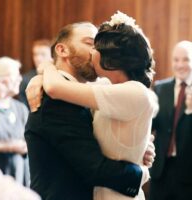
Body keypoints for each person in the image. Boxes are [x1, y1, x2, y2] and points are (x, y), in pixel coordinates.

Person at [27, 11, 157, 200]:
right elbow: (95, 168)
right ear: (62, 50)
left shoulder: (95, 92)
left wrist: (138, 147)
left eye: (99, 46)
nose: (97, 52)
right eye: (90, 43)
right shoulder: (54, 102)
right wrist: (140, 173)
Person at [149, 41, 192, 200]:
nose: (180, 65)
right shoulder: (160, 88)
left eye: (186, 59)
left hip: (188, 175)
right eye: (176, 60)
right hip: (161, 171)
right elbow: (150, 125)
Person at [0, 57, 29, 186]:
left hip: (19, 179)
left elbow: (29, 143)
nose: (20, 79)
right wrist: (8, 146)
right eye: (16, 75)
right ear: (0, 79)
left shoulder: (20, 108)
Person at [19, 39, 52, 108]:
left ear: (52, 57)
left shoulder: (59, 78)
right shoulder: (25, 80)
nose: (38, 58)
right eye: (35, 54)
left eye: (43, 54)